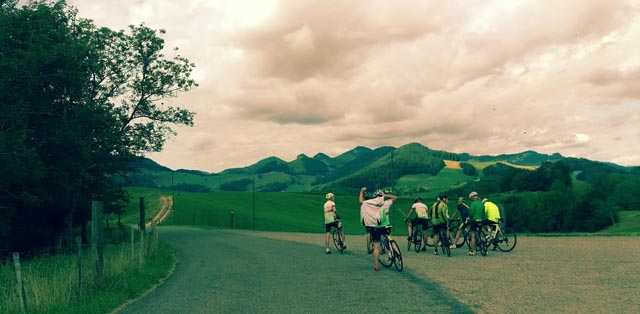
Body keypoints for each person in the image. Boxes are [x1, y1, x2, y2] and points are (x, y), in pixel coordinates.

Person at [360, 187, 397, 271]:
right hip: (385, 226)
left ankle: (376, 266)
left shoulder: (369, 203)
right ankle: (393, 248)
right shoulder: (386, 203)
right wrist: (385, 195)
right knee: (389, 236)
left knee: (376, 247)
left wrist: (361, 191)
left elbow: (361, 202)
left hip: (375, 227)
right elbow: (395, 197)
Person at [467, 191, 484, 256]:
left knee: (473, 235)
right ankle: (483, 245)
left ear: (472, 197)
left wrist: (469, 218)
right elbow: (483, 212)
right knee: (480, 232)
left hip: (474, 220)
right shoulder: (481, 203)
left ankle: (472, 250)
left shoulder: (473, 204)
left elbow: (471, 213)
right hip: (480, 220)